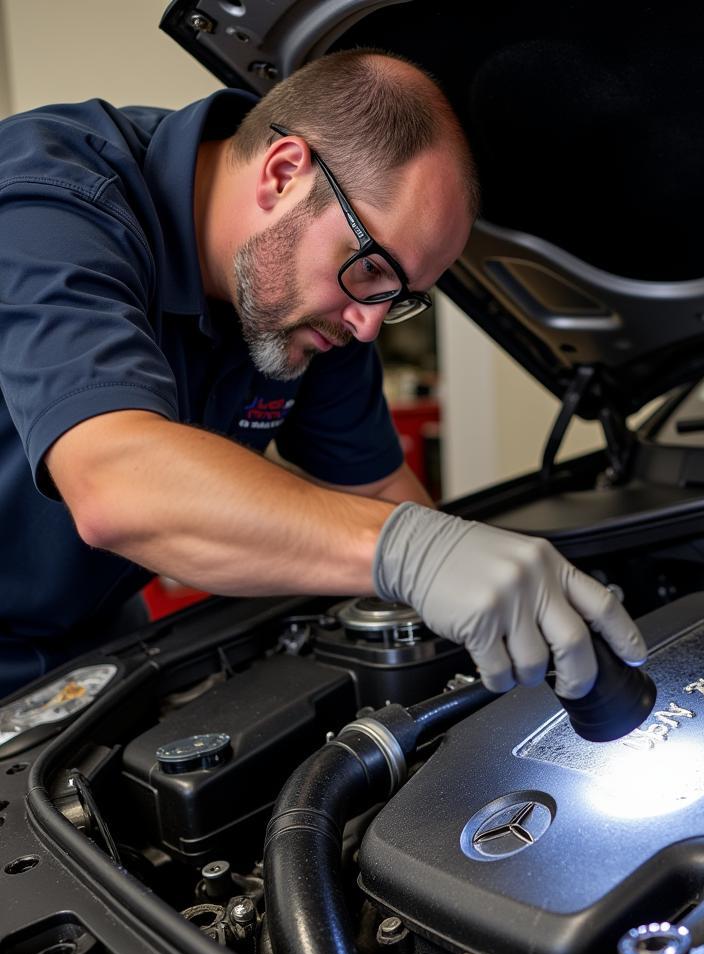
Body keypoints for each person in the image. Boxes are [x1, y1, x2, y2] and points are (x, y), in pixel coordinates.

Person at [0, 49, 646, 699]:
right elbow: (116, 485)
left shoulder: (315, 307)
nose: (368, 327)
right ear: (284, 174)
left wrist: (523, 605)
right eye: (371, 270)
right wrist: (415, 554)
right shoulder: (50, 202)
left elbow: (379, 494)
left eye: (399, 296)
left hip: (90, 639)